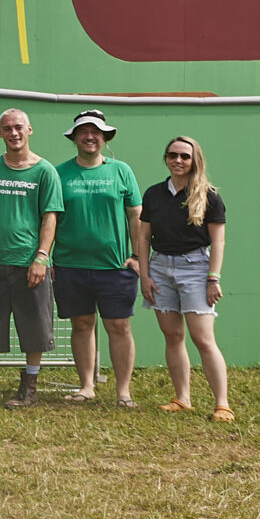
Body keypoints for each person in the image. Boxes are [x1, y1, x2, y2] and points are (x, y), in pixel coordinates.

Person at [0, 107, 62, 407]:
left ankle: (29, 388)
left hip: (29, 264)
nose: (14, 133)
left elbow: (50, 218)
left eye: (19, 127)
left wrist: (41, 258)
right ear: (0, 133)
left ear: (30, 130)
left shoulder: (45, 171)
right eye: (7, 128)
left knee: (34, 328)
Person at [136, 135, 232, 422]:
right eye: (172, 155)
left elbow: (219, 242)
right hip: (160, 268)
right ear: (166, 158)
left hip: (196, 268)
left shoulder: (210, 195)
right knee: (173, 335)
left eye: (184, 156)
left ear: (194, 160)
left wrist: (213, 278)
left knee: (202, 338)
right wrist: (145, 274)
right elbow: (143, 236)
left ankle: (222, 404)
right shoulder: (154, 193)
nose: (178, 161)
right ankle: (182, 398)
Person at [52, 108, 141, 405]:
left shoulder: (121, 171)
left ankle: (123, 391)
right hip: (70, 265)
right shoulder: (59, 173)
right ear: (74, 138)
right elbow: (50, 218)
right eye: (83, 132)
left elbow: (135, 217)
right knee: (81, 325)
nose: (90, 137)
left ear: (104, 138)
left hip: (114, 267)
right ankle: (86, 386)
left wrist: (137, 256)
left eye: (96, 133)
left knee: (119, 326)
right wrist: (47, 257)